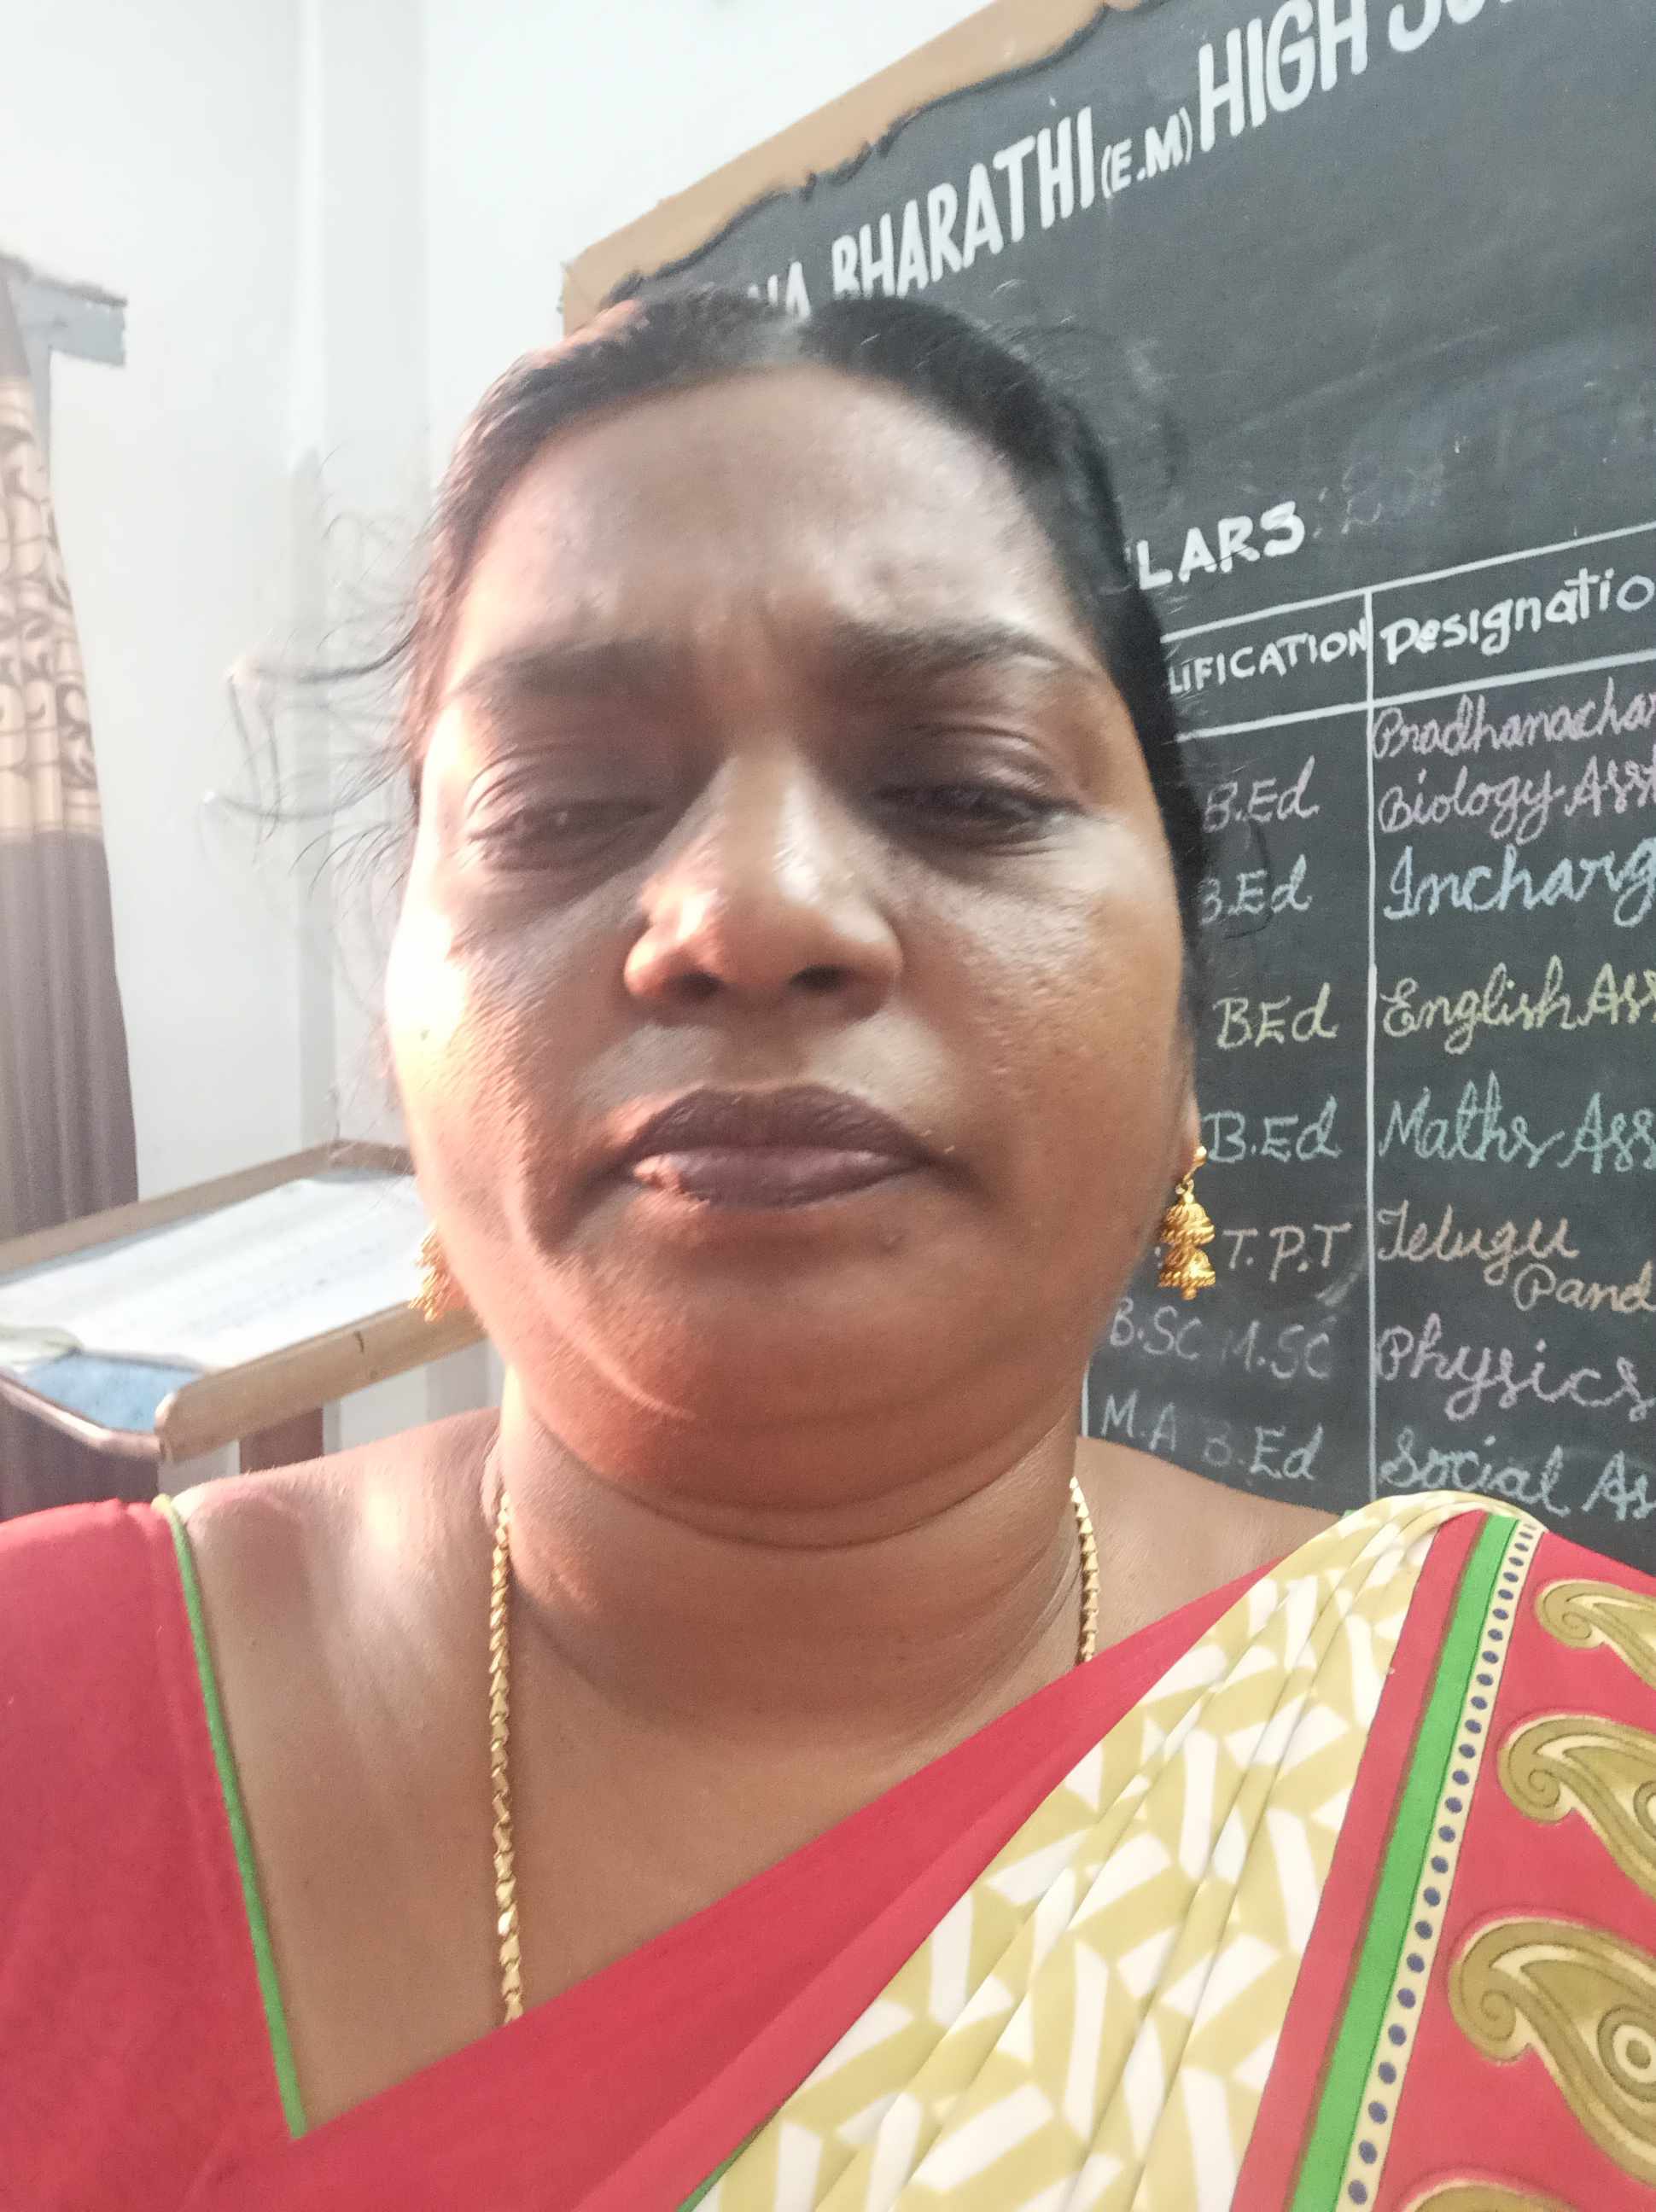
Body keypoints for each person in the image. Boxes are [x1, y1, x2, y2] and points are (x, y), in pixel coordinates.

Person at [3, 290, 1653, 2212]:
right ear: (398, 1041)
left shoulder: (1561, 1762)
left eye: (966, 789)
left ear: (1185, 1041)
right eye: (560, 805)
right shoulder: (40, 1721)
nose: (749, 911)